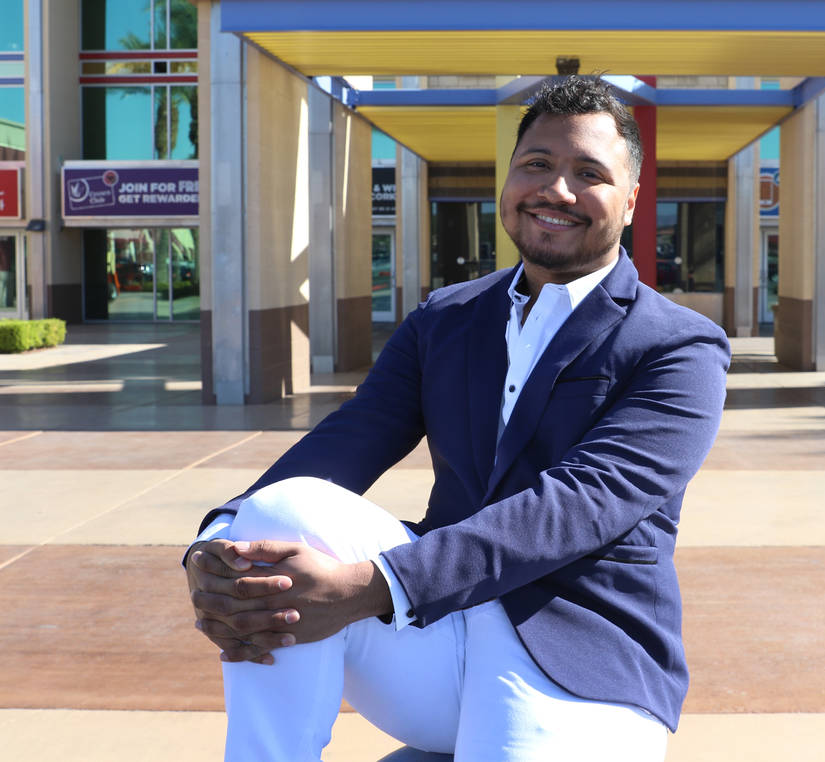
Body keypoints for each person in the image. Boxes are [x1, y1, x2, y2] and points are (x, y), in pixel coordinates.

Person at [185, 75, 730, 762]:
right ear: (508, 182)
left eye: (588, 173)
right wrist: (218, 542)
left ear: (630, 199)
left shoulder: (678, 345)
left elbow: (579, 505)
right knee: (280, 516)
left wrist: (377, 585)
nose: (556, 190)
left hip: (579, 659)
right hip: (437, 637)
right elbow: (353, 436)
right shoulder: (446, 318)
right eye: (537, 164)